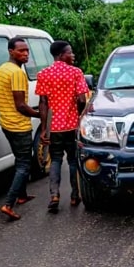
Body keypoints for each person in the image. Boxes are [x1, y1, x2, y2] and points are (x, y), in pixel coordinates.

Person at [36, 40, 89, 212]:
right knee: (73, 160)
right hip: (72, 126)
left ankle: (54, 195)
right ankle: (75, 195)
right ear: (61, 55)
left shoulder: (43, 74)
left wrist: (44, 128)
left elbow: (42, 102)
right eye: (70, 52)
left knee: (56, 160)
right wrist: (79, 116)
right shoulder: (76, 72)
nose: (73, 55)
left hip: (54, 128)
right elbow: (82, 99)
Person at [0, 37, 40, 221]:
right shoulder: (17, 73)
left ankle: (22, 195)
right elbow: (21, 105)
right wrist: (40, 115)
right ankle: (8, 204)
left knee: (20, 159)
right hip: (19, 125)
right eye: (21, 51)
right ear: (11, 51)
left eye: (27, 50)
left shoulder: (2, 69)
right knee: (24, 164)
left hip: (6, 123)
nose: (25, 54)